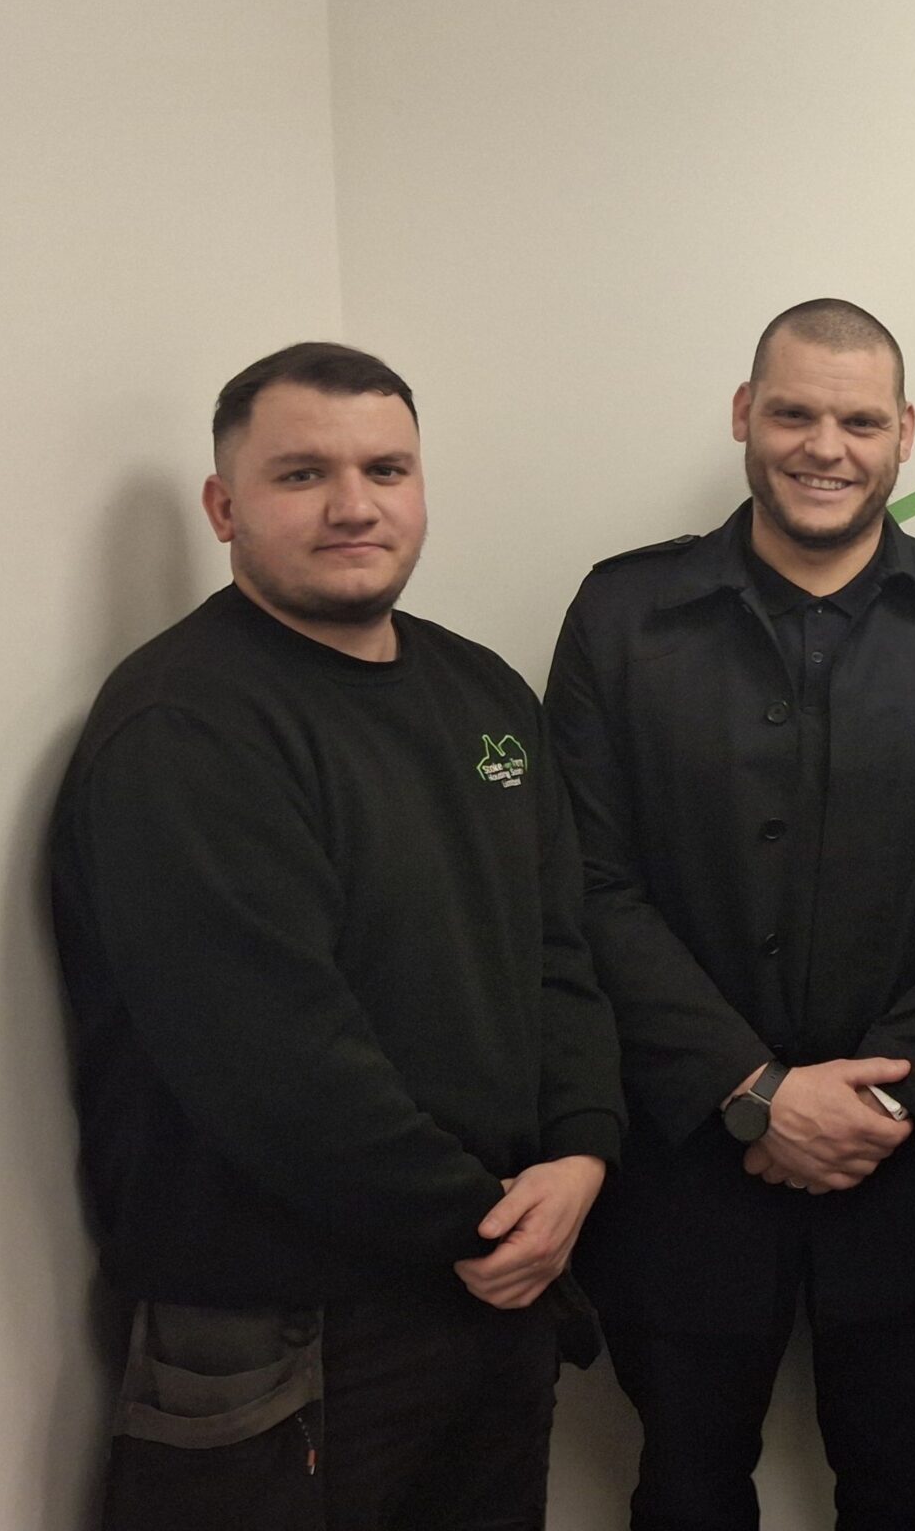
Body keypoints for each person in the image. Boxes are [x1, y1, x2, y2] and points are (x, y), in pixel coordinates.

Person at [50, 341, 625, 1531]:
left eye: (386, 469)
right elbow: (270, 1057)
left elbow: (556, 954)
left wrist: (582, 1154)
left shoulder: (482, 694)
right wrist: (482, 1222)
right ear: (224, 507)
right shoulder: (185, 727)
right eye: (303, 474)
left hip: (488, 1293)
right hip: (284, 1337)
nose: (354, 505)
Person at [548, 299, 915, 1531]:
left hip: (913, 1168)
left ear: (905, 434)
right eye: (794, 414)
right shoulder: (622, 616)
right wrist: (751, 1088)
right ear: (743, 415)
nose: (826, 447)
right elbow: (585, 884)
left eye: (859, 422)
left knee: (905, 1492)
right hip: (681, 1172)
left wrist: (880, 1101)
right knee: (684, 1492)